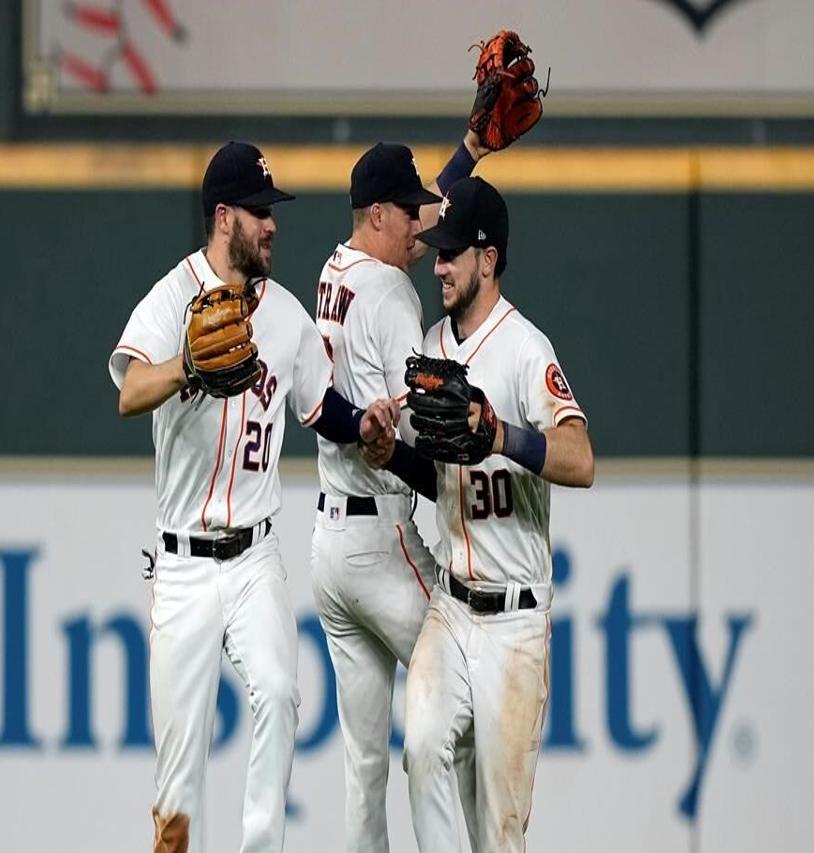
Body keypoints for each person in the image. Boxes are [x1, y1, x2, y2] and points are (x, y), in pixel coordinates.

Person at [108, 140, 396, 853]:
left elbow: (318, 405)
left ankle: (261, 844)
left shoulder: (288, 315)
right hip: (181, 563)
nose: (272, 225)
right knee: (176, 793)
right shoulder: (173, 297)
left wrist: (359, 423)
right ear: (223, 215)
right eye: (259, 212)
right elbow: (129, 390)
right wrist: (186, 365)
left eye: (273, 213)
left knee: (277, 689)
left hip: (255, 554)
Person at [367, 176, 595, 853]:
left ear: (487, 259)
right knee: (424, 749)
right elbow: (442, 481)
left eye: (450, 254)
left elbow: (581, 459)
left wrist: (502, 436)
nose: (436, 265)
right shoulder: (432, 344)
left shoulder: (525, 347)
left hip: (515, 622)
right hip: (452, 602)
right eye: (434, 252)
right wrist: (389, 457)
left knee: (500, 830)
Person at [310, 131, 495, 853]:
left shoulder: (337, 263)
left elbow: (423, 216)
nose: (424, 227)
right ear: (380, 214)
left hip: (328, 542)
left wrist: (470, 148)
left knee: (363, 765)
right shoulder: (387, 293)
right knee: (464, 711)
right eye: (412, 212)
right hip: (382, 541)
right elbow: (413, 422)